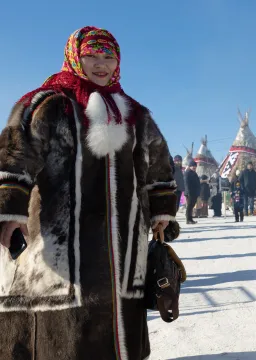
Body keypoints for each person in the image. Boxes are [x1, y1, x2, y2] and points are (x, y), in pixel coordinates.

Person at [0, 26, 176, 360]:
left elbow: (159, 166)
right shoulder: (47, 104)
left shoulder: (136, 115)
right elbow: (14, 154)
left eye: (109, 57)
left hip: (124, 245)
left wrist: (160, 212)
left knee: (118, 323)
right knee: (64, 333)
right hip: (57, 241)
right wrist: (10, 211)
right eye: (92, 55)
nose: (101, 64)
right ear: (74, 57)